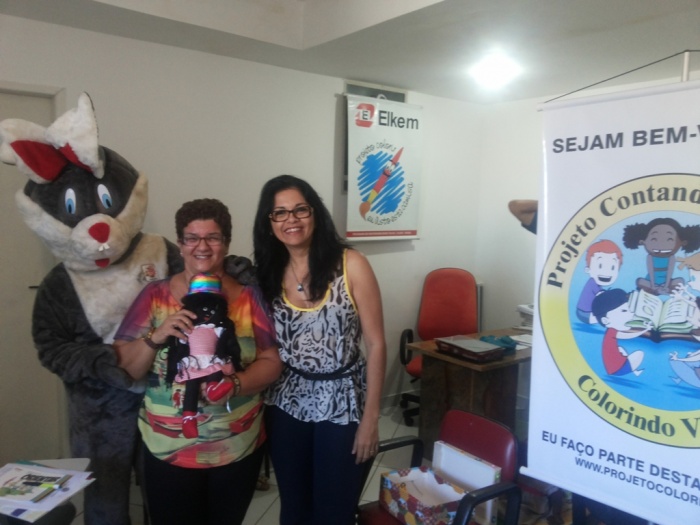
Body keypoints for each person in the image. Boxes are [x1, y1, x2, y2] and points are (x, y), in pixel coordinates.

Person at [113, 198, 282, 525]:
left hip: (237, 449)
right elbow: (126, 367)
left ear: (226, 243)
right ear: (180, 244)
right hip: (167, 451)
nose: (201, 247)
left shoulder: (249, 297)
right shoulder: (155, 295)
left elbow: (272, 361)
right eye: (192, 238)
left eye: (212, 238)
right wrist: (157, 335)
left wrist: (235, 384)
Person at [253, 175, 387, 525]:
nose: (291, 220)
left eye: (300, 209)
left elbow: (376, 343)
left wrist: (371, 419)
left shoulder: (351, 264)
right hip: (287, 400)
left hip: (343, 401)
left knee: (334, 510)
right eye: (280, 213)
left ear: (315, 213)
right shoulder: (267, 273)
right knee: (294, 508)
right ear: (269, 223)